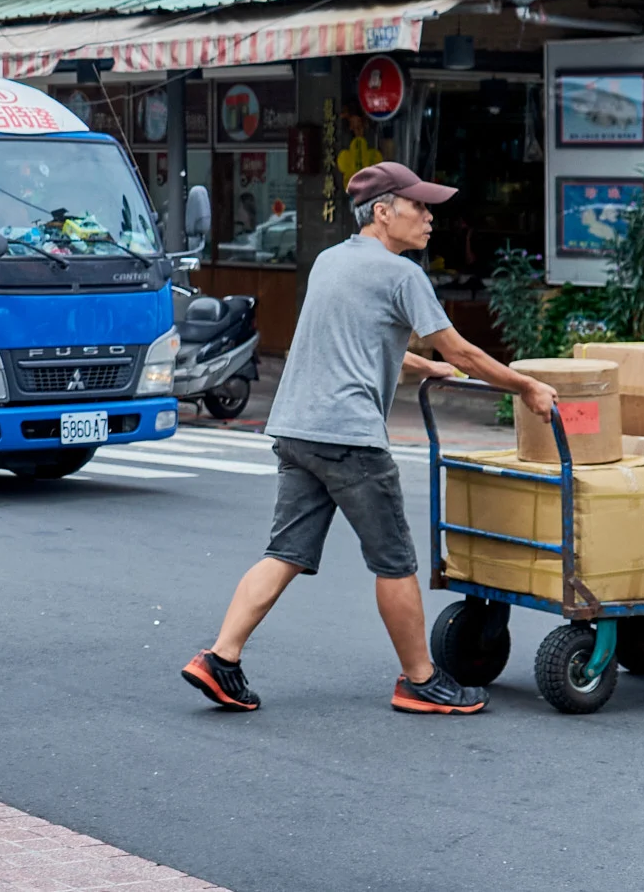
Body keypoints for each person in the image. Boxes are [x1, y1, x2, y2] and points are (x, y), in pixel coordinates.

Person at [183, 161, 558, 716]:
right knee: (394, 560)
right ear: (383, 212)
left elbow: (355, 346)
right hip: (349, 438)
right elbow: (461, 351)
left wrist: (421, 366)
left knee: (284, 552)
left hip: (296, 429)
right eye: (419, 207)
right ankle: (420, 680)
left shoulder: (330, 261)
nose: (429, 218)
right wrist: (527, 386)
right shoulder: (402, 275)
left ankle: (220, 658)